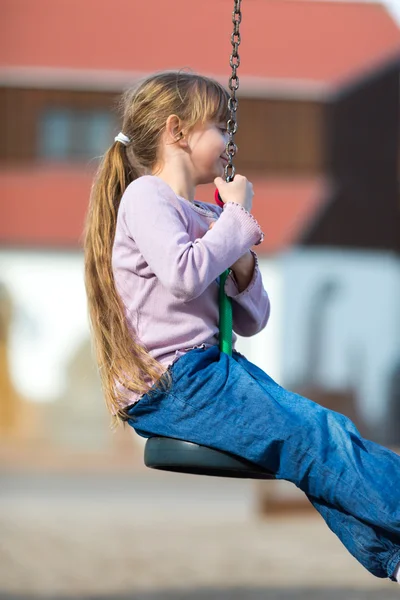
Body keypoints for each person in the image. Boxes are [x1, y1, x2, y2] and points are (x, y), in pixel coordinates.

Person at [84, 70, 400, 583]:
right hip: (175, 382)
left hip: (211, 371)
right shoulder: (147, 197)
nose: (230, 141)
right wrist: (234, 220)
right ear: (177, 131)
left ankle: (392, 557)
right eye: (220, 127)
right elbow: (183, 275)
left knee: (316, 443)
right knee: (318, 436)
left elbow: (254, 318)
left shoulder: (205, 214)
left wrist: (238, 250)